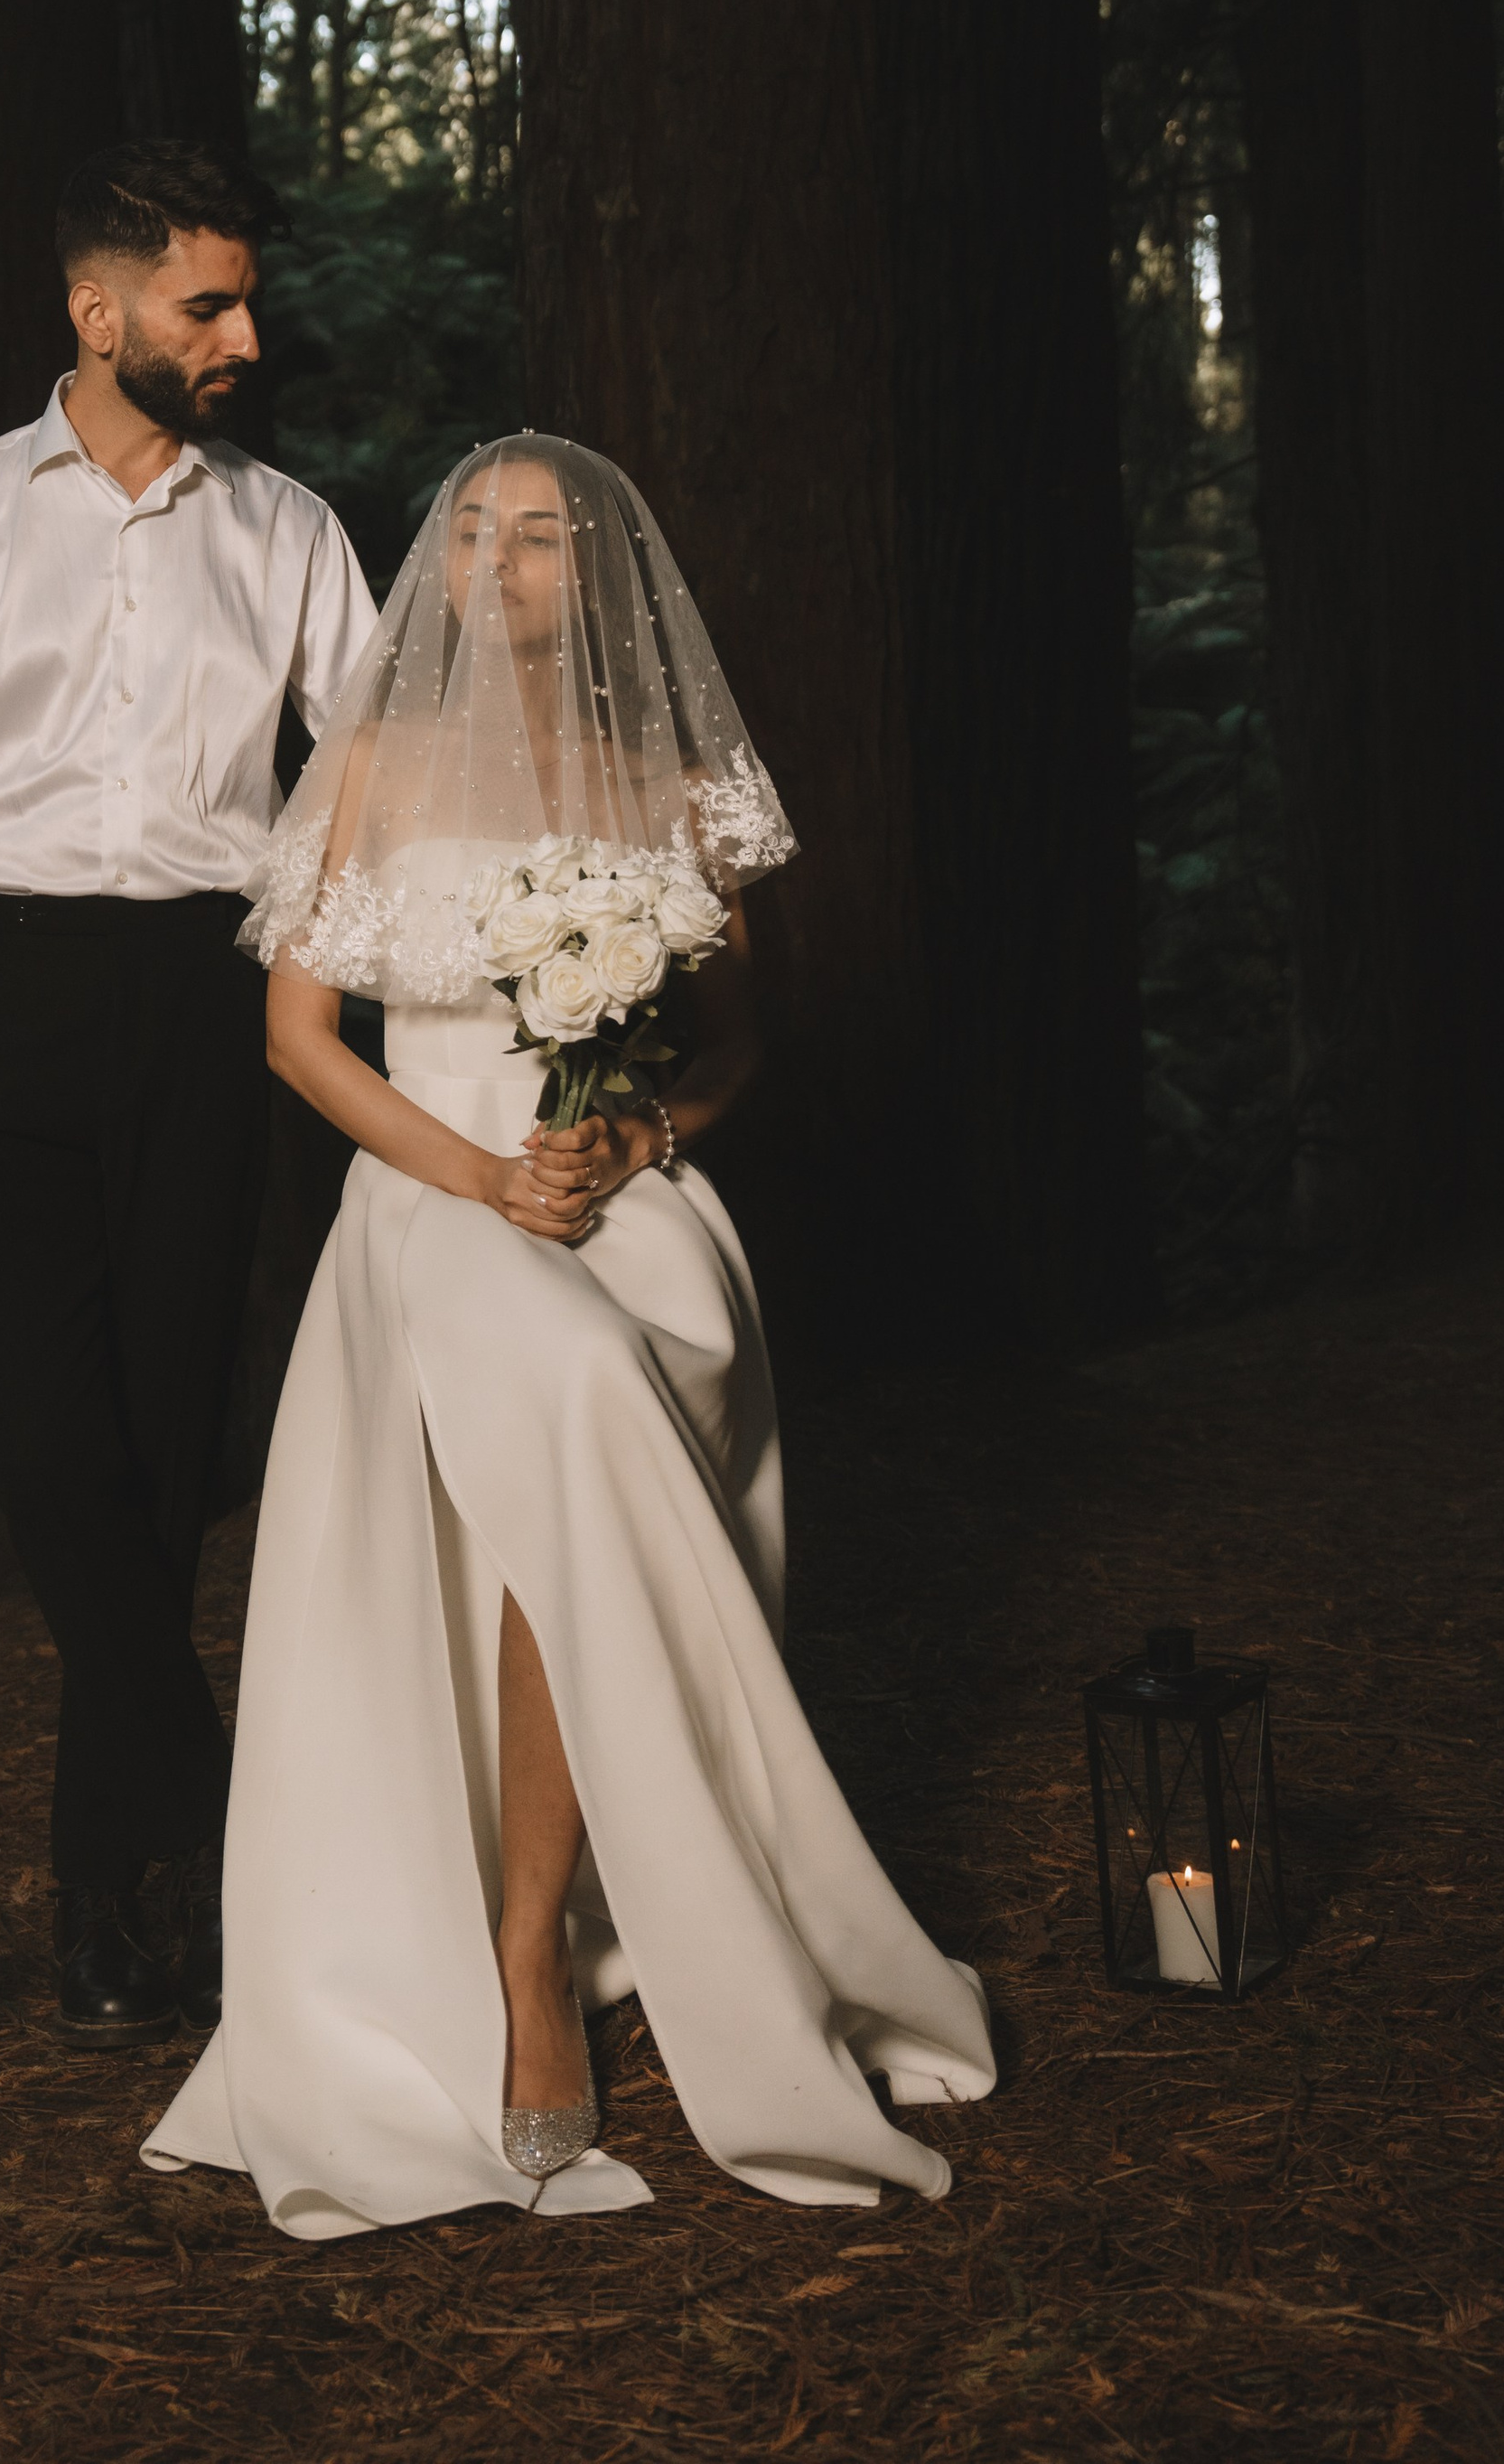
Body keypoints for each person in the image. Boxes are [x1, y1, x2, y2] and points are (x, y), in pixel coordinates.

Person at [144, 436, 995, 2234]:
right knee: (577, 1391)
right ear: (438, 572)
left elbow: (734, 1038)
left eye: (540, 537)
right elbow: (302, 1042)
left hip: (623, 1197)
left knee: (611, 1406)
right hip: (432, 1194)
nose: (506, 563)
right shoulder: (369, 761)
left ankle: (549, 1928)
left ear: (596, 575)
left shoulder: (662, 777)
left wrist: (640, 1135)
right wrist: (470, 1171)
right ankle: (521, 1967)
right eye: (476, 535)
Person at [0, 143, 376, 2049]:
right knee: (49, 1452)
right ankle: (225, 1835)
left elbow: (369, 767)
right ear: (97, 313)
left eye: (242, 302)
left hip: (203, 995)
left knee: (158, 1460)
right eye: (203, 307)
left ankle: (109, 1908)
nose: (242, 334)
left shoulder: (289, 529)